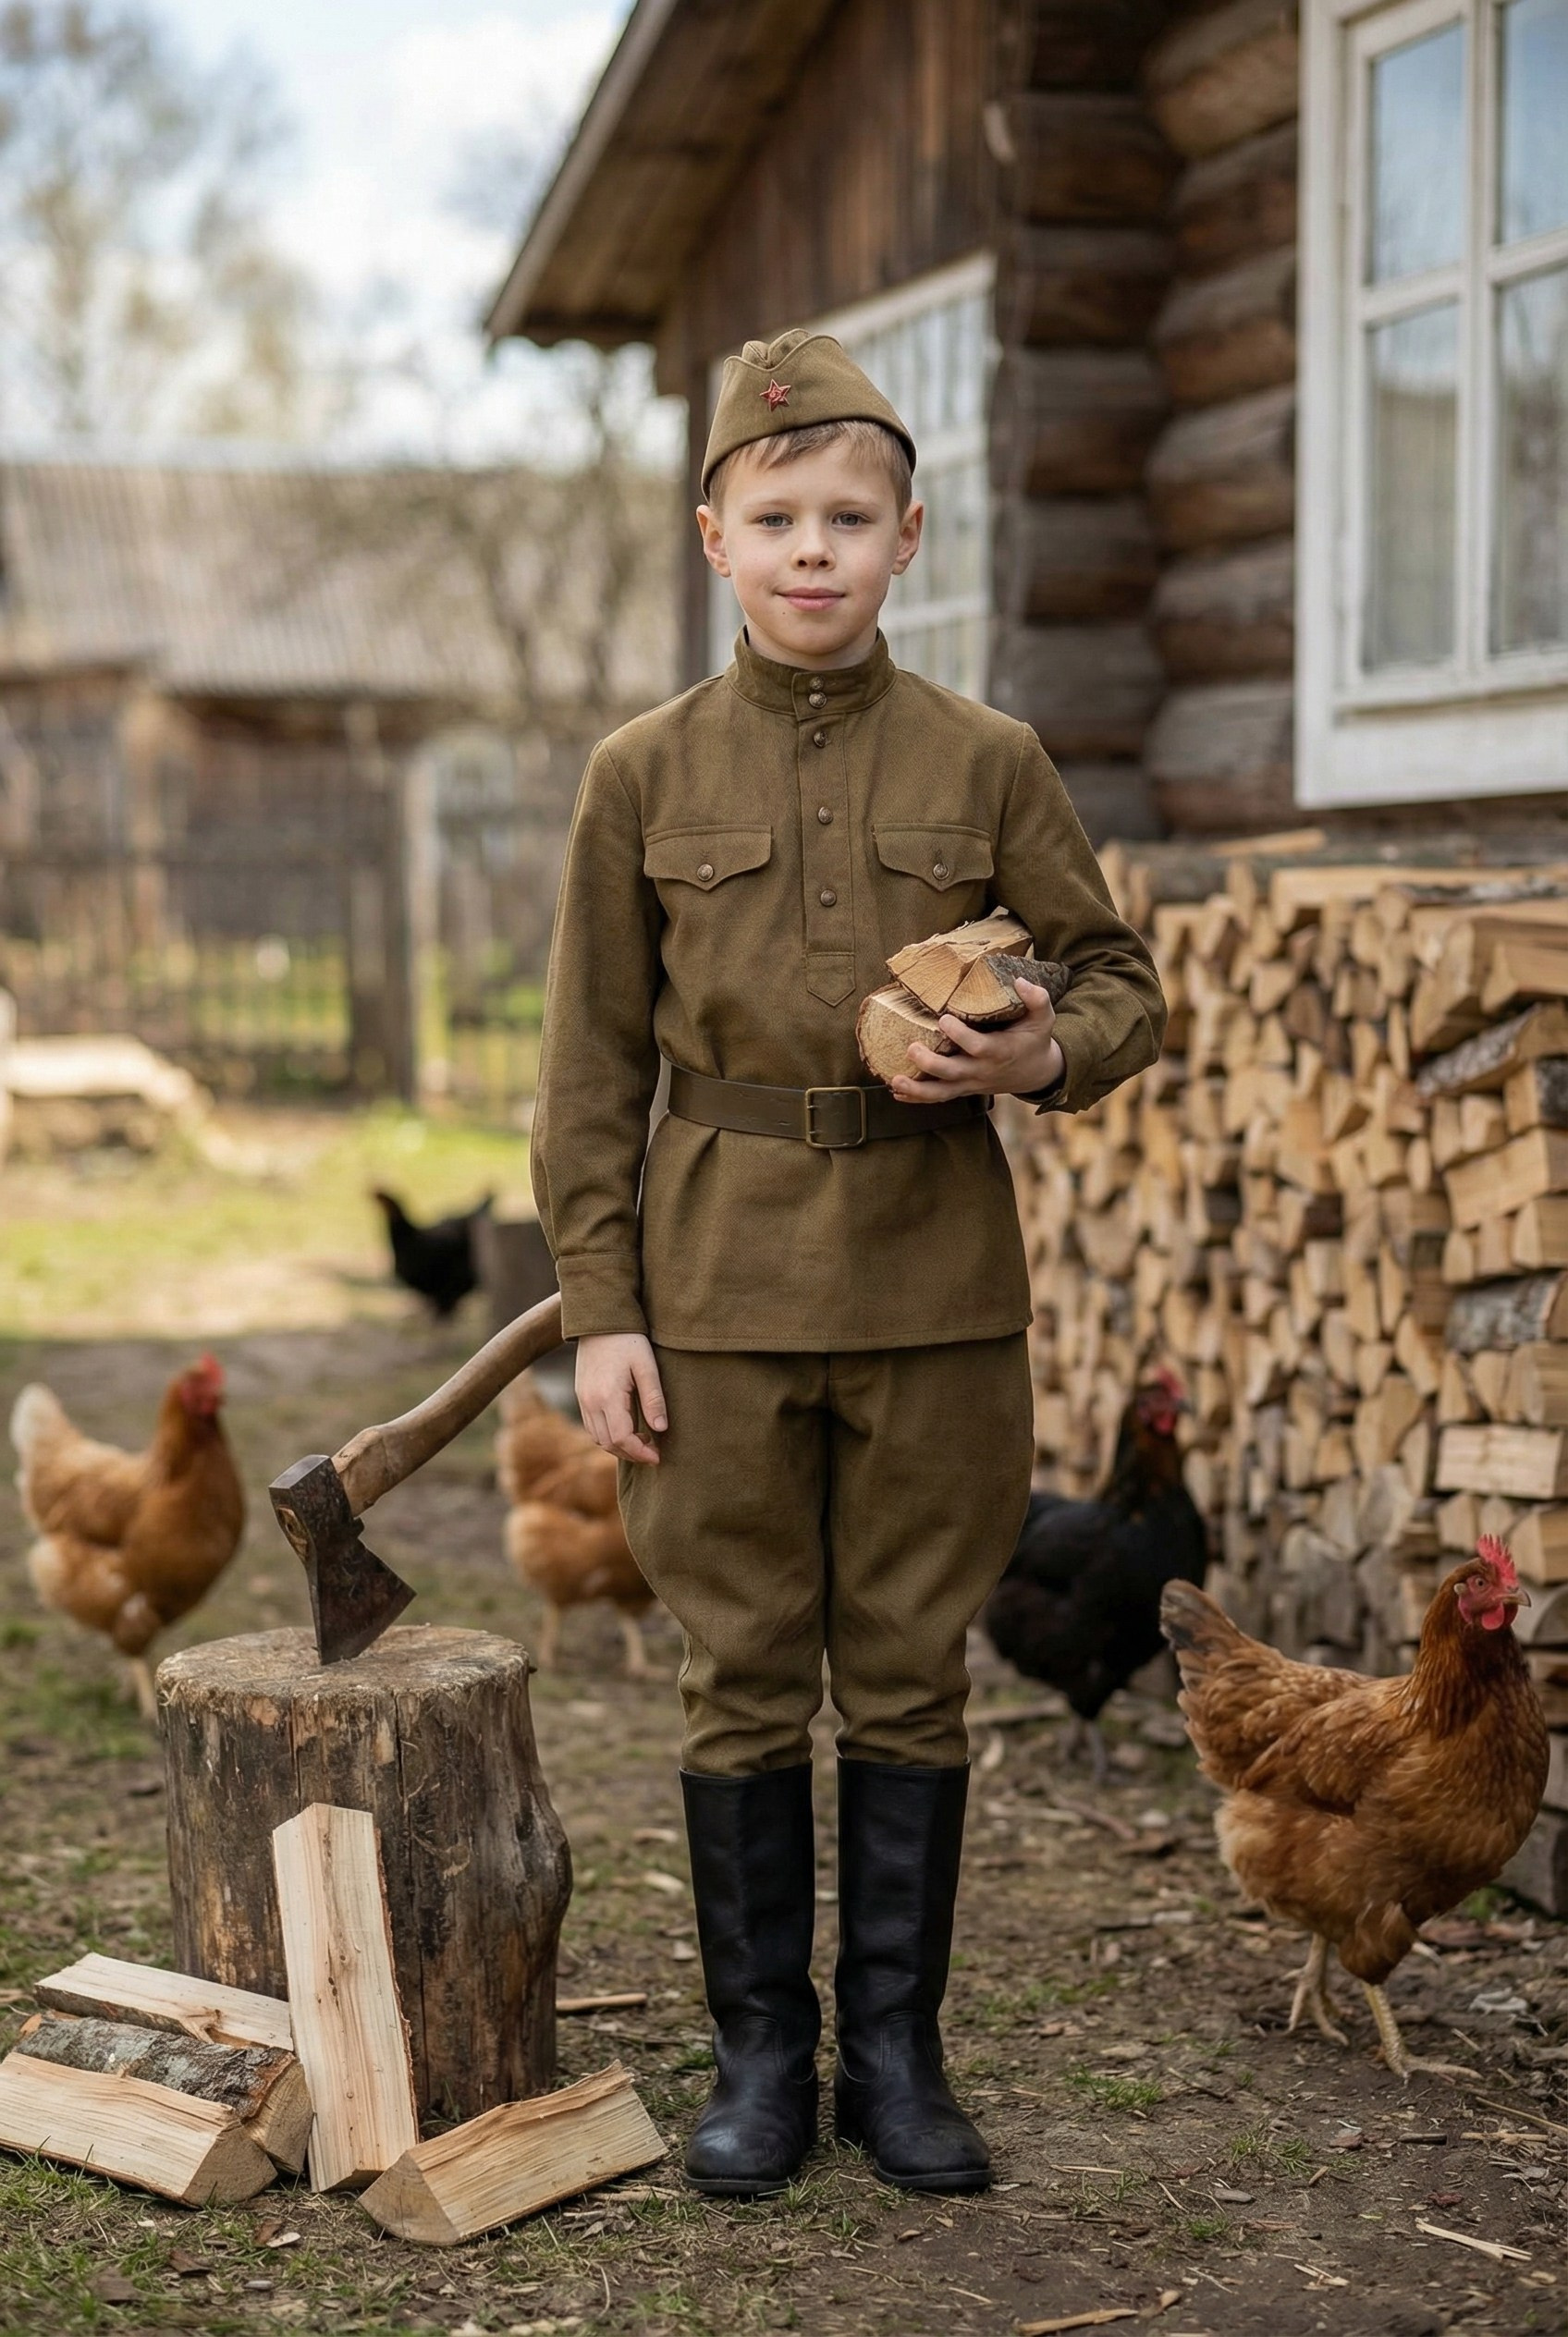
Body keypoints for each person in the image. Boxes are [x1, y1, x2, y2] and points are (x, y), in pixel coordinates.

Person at [533, 326, 1166, 2199]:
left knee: (906, 1676)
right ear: (713, 536)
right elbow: (586, 1066)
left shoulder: (987, 758)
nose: (814, 547)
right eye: (776, 514)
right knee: (736, 1676)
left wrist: (1038, 1050)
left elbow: (1112, 975)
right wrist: (602, 1311)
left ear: (907, 537)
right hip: (710, 1286)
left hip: (934, 1285)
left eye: (851, 516)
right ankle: (759, 2058)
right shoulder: (637, 776)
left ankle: (894, 2058)